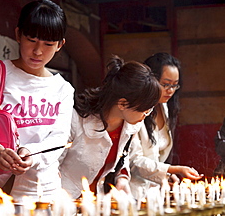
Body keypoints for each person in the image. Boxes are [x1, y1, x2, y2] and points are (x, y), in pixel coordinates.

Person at [0, 0, 74, 202]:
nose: (38, 51)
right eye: (32, 40)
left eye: (48, 44)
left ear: (60, 45)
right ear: (18, 35)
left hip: (43, 192)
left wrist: (31, 153)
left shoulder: (63, 89)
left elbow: (59, 138)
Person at [59, 55, 161, 199]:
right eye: (145, 110)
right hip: (66, 201)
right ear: (123, 104)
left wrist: (122, 178)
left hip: (98, 200)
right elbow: (52, 163)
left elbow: (122, 158)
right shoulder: (76, 120)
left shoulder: (130, 125)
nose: (146, 115)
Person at [129, 52, 203, 200]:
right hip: (134, 192)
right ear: (150, 79)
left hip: (156, 192)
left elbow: (157, 158)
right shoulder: (133, 111)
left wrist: (167, 175)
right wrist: (171, 169)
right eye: (165, 84)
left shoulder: (165, 107)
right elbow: (134, 161)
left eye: (175, 85)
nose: (170, 90)